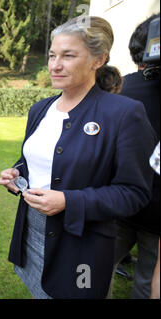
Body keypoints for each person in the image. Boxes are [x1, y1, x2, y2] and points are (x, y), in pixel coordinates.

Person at [0, 16, 156, 299]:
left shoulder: (124, 114)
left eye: (68, 56)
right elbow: (35, 160)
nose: (55, 65)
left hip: (79, 242)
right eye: (52, 55)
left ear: (99, 59)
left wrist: (69, 202)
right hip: (31, 231)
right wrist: (16, 173)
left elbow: (134, 193)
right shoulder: (40, 110)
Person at [109, 13, 160, 299]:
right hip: (153, 214)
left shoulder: (117, 90)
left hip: (118, 205)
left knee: (96, 270)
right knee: (149, 279)